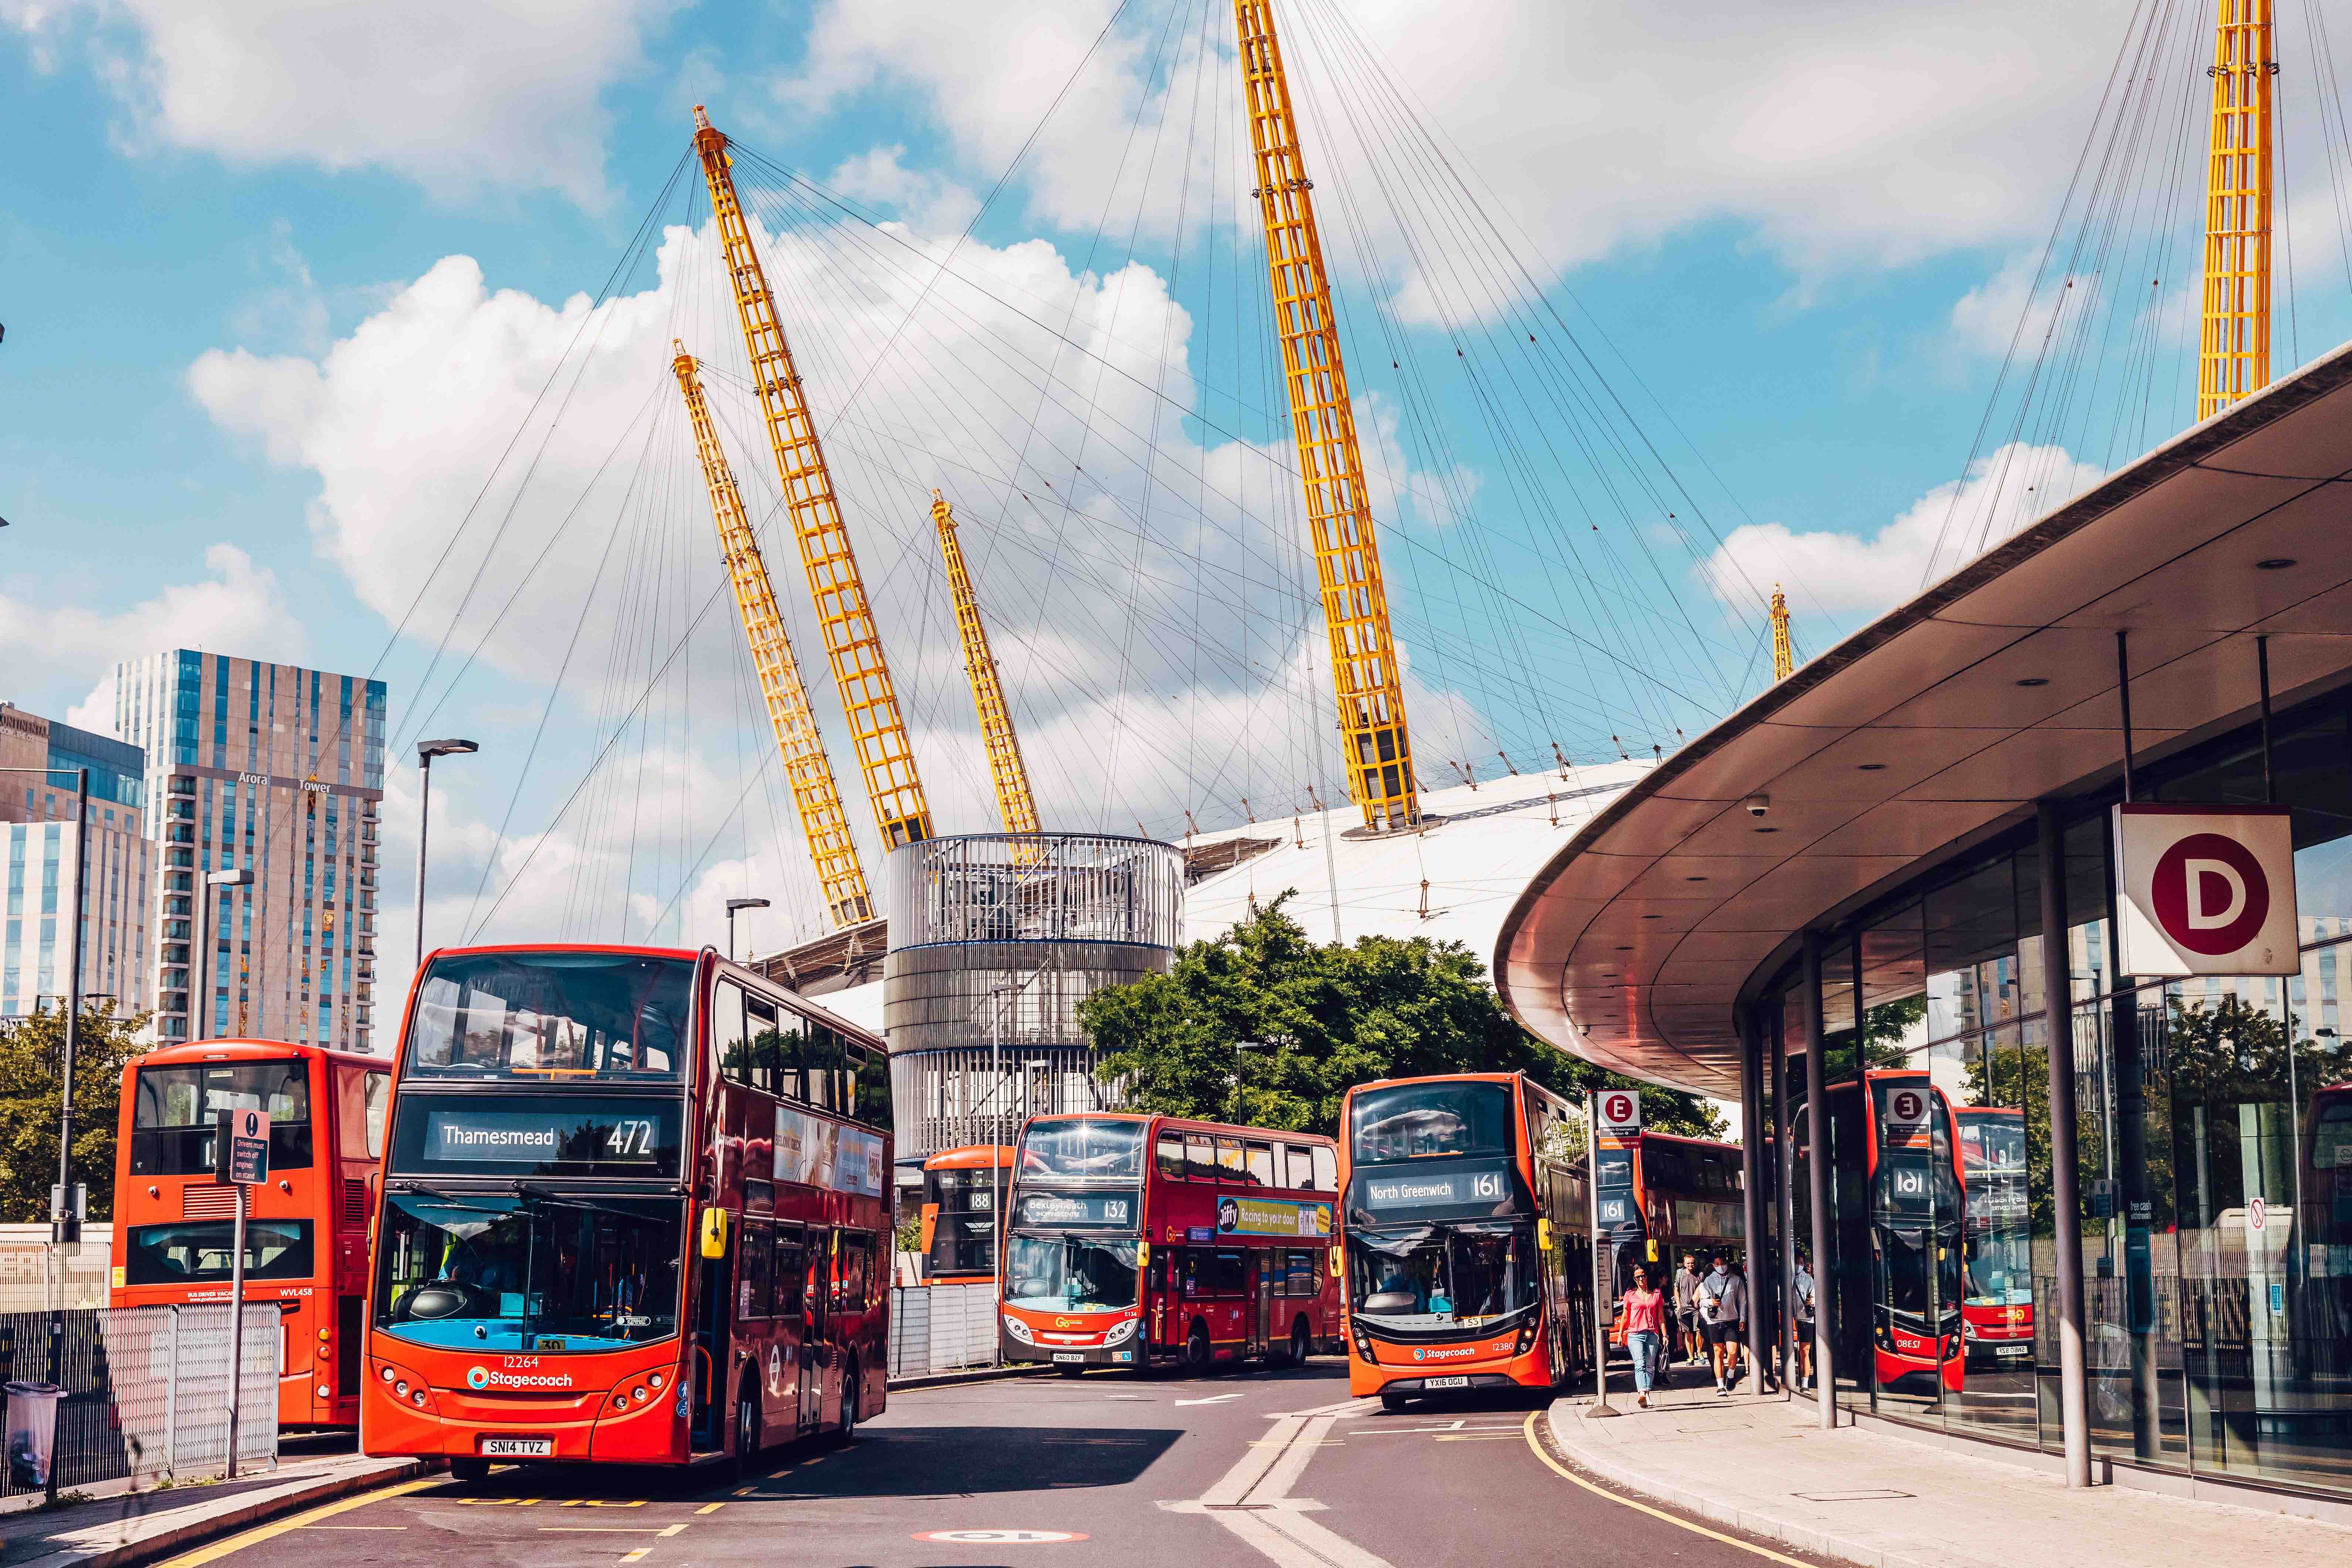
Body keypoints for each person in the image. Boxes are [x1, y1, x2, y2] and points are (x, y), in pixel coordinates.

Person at [1698, 1251, 1749, 1395]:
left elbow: (1742, 1301)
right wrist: (1711, 1302)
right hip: (1715, 1322)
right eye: (1717, 1264)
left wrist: (1743, 1318)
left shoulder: (1736, 1280)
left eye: (1722, 1263)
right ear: (1714, 1266)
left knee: (1733, 1352)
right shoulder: (1709, 1281)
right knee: (1718, 1352)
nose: (1720, 1266)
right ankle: (1720, 1385)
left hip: (1732, 1320)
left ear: (1727, 1264)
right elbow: (1702, 1301)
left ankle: (1731, 1374)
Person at [1620, 1264, 1669, 1409]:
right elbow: (1625, 1316)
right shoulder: (1630, 1295)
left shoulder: (1656, 1293)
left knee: (1650, 1365)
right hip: (1635, 1334)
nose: (1641, 1279)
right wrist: (1621, 1333)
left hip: (1653, 1333)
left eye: (1643, 1276)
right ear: (1634, 1279)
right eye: (1638, 1277)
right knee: (1640, 1363)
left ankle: (1647, 1394)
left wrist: (1665, 1334)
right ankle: (1642, 1393)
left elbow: (1661, 1316)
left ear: (1647, 1276)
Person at [1792, 1248, 1817, 1392]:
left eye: (1802, 1263)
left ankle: (1805, 1382)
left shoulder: (1809, 1280)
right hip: (1793, 1319)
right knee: (1794, 1351)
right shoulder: (1788, 1278)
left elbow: (1815, 1299)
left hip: (1806, 1319)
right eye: (1797, 1262)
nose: (1800, 1265)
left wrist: (1811, 1302)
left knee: (1805, 1351)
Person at [1673, 1252, 1705, 1365]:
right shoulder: (1680, 1274)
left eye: (1693, 1263)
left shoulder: (1700, 1275)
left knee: (1699, 1331)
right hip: (1684, 1308)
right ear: (1685, 1264)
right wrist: (1679, 1305)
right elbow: (1676, 1289)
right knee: (1688, 1334)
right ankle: (1691, 1357)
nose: (1692, 1265)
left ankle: (1700, 1352)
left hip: (1696, 1309)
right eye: (1689, 1263)